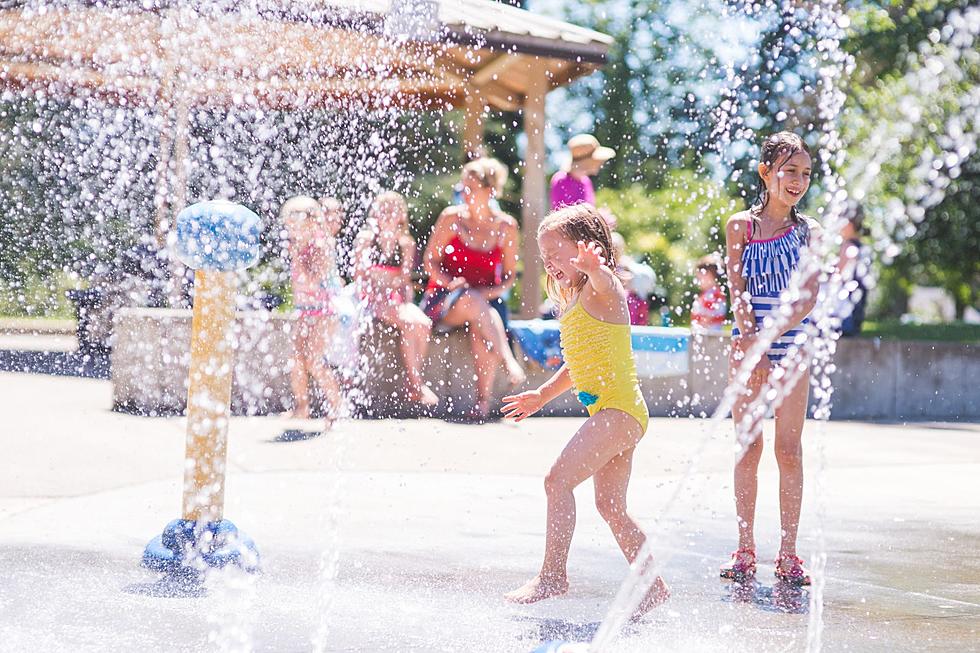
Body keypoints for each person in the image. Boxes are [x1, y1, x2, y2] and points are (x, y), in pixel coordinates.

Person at [500, 204, 669, 616]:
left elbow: (608, 279)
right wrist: (541, 395)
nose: (550, 265)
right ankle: (653, 585)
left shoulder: (602, 289)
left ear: (585, 248)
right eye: (545, 259)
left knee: (557, 481)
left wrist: (595, 266)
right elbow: (578, 365)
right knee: (611, 507)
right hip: (617, 413)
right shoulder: (575, 299)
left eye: (557, 255)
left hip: (619, 411)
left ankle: (553, 576)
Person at [722, 131, 821, 586]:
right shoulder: (740, 226)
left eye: (805, 173)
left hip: (792, 348)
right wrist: (749, 339)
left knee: (787, 449)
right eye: (789, 171)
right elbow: (737, 288)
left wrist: (768, 340)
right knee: (748, 446)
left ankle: (789, 553)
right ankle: (745, 549)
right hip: (747, 344)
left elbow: (807, 298)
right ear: (766, 173)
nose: (798, 180)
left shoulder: (808, 232)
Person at [421, 158, 526, 420]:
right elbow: (429, 262)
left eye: (470, 187)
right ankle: (508, 359)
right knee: (472, 302)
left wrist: (487, 294)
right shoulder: (451, 218)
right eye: (463, 187)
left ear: (490, 191)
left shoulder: (507, 226)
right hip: (446, 298)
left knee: (481, 324)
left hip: (486, 302)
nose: (463, 193)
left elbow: (510, 276)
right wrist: (447, 281)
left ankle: (482, 403)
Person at [354, 191, 438, 407]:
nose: (388, 215)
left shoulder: (405, 243)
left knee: (424, 323)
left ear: (401, 215)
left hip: (394, 298)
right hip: (370, 297)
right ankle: (416, 384)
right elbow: (359, 275)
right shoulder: (366, 239)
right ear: (375, 214)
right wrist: (379, 291)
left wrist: (393, 292)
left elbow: (403, 279)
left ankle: (414, 382)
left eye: (393, 210)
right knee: (410, 324)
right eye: (384, 210)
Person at [282, 195, 343, 427]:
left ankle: (337, 406)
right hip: (305, 309)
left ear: (311, 221)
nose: (291, 226)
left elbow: (313, 277)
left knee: (314, 360)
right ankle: (301, 407)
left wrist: (297, 254)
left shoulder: (320, 243)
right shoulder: (301, 244)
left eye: (295, 221)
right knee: (297, 359)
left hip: (324, 310)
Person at [549, 134, 615, 210]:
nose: (601, 163)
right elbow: (559, 214)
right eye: (597, 161)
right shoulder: (561, 180)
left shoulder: (586, 182)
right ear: (587, 161)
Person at [835, 202, 869, 337]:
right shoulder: (862, 247)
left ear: (849, 223)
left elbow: (837, 277)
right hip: (856, 309)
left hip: (844, 314)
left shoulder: (848, 247)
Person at [611, 231, 657, 326]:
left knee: (629, 299)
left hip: (628, 302)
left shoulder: (625, 264)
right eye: (613, 248)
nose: (614, 251)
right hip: (618, 301)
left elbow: (630, 280)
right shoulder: (609, 265)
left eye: (616, 248)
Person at [691, 255, 727, 332]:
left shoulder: (713, 295)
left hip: (710, 335)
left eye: (699, 278)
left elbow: (708, 317)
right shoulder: (709, 294)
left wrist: (698, 328)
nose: (698, 282)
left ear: (710, 275)